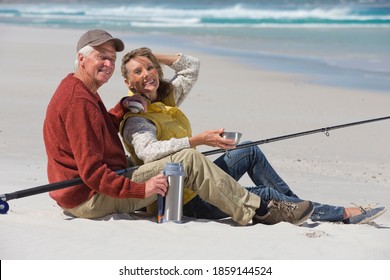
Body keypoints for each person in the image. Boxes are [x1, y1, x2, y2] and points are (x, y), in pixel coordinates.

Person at [43, 29, 314, 226]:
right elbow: (92, 173)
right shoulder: (79, 100)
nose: (108, 64)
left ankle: (283, 207)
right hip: (90, 198)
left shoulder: (82, 91)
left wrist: (121, 108)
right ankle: (255, 212)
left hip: (99, 184)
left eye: (112, 59)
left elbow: (97, 129)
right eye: (101, 57)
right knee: (188, 159)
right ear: (81, 59)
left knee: (231, 154)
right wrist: (142, 190)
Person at [119, 47, 386, 224]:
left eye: (150, 68)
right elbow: (148, 152)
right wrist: (196, 141)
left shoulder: (166, 98)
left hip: (198, 180)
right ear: (129, 83)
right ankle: (339, 214)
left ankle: (301, 209)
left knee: (248, 149)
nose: (147, 74)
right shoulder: (137, 117)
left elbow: (191, 66)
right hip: (183, 200)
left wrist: (152, 55)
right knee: (268, 193)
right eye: (138, 72)